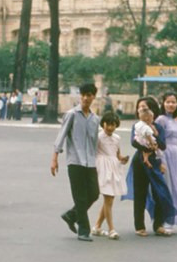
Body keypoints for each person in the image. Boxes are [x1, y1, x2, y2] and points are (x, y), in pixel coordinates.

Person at [51, 82, 101, 242]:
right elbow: (61, 135)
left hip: (90, 162)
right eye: (83, 95)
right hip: (75, 161)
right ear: (80, 96)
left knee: (94, 193)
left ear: (93, 97)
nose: (86, 98)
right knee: (80, 197)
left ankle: (71, 215)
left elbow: (95, 142)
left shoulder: (95, 119)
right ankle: (83, 230)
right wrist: (55, 158)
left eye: (89, 95)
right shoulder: (72, 114)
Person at [122, 96, 175, 237]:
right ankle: (139, 226)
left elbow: (163, 146)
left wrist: (155, 136)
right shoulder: (137, 126)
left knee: (160, 192)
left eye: (144, 107)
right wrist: (148, 149)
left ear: (152, 111)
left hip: (155, 162)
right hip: (140, 161)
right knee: (140, 193)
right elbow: (134, 142)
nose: (141, 110)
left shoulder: (158, 127)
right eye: (139, 108)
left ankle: (158, 225)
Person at [91, 112, 129, 239]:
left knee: (109, 199)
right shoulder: (98, 137)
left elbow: (117, 154)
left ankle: (97, 226)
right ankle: (111, 229)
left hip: (114, 168)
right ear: (103, 124)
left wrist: (123, 159)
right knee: (108, 199)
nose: (110, 127)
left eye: (113, 125)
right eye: (108, 124)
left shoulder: (117, 138)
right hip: (102, 168)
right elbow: (93, 152)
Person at [157, 92, 177, 230]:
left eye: (173, 102)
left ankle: (175, 217)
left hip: (176, 156)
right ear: (163, 103)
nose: (171, 104)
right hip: (166, 154)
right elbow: (158, 142)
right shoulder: (161, 120)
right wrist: (161, 161)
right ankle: (167, 220)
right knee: (169, 188)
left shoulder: (176, 120)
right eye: (168, 102)